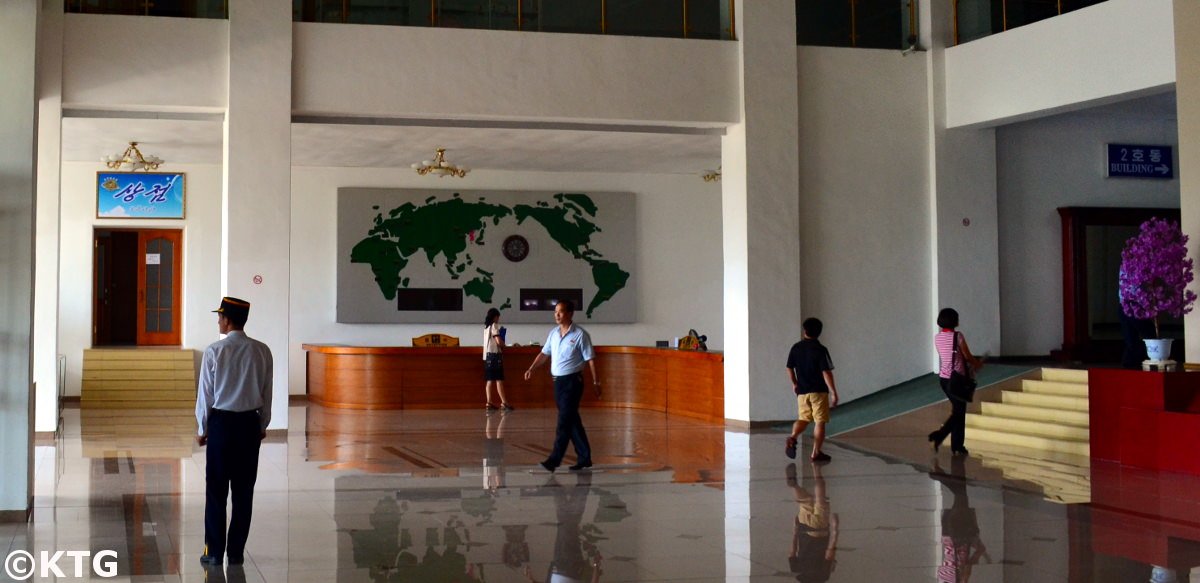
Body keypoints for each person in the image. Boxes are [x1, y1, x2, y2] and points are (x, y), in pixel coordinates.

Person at [195, 297, 273, 567]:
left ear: (227, 319)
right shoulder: (262, 351)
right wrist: (262, 425)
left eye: (220, 316)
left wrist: (202, 427)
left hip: (222, 425)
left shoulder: (214, 351)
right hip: (249, 426)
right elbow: (267, 392)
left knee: (216, 490)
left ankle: (214, 551)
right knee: (243, 492)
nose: (218, 320)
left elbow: (206, 394)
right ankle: (236, 552)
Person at [524, 300, 601, 472]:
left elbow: (591, 360)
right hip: (558, 383)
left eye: (560, 312)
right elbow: (544, 354)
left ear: (570, 314)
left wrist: (596, 382)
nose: (557, 315)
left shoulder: (580, 334)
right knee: (571, 420)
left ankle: (555, 459)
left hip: (573, 382)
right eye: (555, 312)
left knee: (563, 422)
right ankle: (585, 457)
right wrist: (532, 368)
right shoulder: (553, 334)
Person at [929, 308, 984, 456]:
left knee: (958, 412)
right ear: (954, 321)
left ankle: (955, 444)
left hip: (944, 380)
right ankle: (944, 438)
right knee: (959, 413)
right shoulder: (958, 336)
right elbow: (967, 356)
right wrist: (977, 364)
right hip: (957, 381)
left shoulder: (937, 338)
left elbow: (948, 357)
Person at [784, 317, 838, 462]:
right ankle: (816, 453)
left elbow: (789, 367)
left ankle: (793, 437)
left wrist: (795, 383)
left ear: (805, 331)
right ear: (819, 332)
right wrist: (833, 392)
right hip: (818, 390)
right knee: (819, 421)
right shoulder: (820, 349)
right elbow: (826, 372)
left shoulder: (796, 347)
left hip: (802, 391)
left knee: (803, 418)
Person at [930, 456, 989, 582]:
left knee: (961, 493)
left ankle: (947, 468)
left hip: (960, 533)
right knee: (961, 492)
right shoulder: (942, 578)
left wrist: (977, 555)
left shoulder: (959, 579)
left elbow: (966, 566)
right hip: (947, 535)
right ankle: (950, 466)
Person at [786, 462, 838, 583]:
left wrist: (835, 531)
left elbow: (829, 554)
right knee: (805, 501)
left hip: (819, 532)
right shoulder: (798, 573)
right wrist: (795, 532)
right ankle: (794, 486)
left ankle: (816, 468)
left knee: (820, 500)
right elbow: (792, 552)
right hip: (803, 529)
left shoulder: (822, 577)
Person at [483, 308, 514, 411]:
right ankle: (504, 402)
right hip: (495, 356)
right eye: (498, 317)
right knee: (499, 380)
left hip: (487, 357)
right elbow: (498, 341)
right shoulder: (494, 326)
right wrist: (506, 346)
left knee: (489, 380)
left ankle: (489, 402)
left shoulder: (486, 328)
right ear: (495, 317)